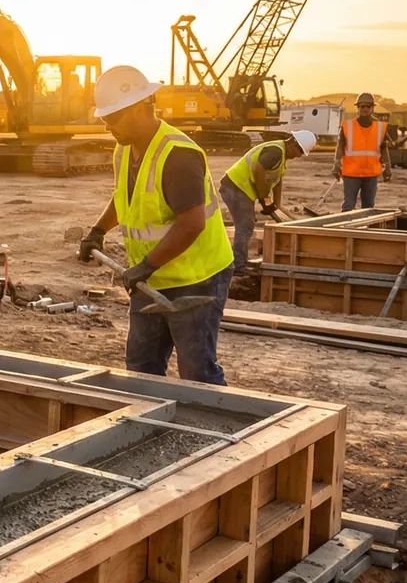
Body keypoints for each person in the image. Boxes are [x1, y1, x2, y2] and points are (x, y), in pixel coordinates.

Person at [77, 65, 234, 385]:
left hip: (197, 278)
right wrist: (98, 231)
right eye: (104, 119)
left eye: (113, 118)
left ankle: (213, 430)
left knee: (197, 372)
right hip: (151, 277)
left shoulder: (178, 154)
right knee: (141, 366)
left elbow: (192, 224)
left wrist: (146, 265)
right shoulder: (123, 150)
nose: (108, 127)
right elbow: (125, 198)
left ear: (139, 108)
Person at [218, 130, 316, 274]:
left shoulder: (281, 155)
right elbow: (259, 171)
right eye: (299, 151)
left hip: (241, 188)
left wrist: (276, 202)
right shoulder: (275, 152)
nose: (299, 155)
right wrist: (264, 198)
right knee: (245, 226)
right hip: (235, 186)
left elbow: (277, 179)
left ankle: (237, 263)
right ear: (293, 143)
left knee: (246, 225)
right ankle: (238, 267)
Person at [333, 93, 391, 211]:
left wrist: (388, 167)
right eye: (362, 106)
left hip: (371, 174)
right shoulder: (347, 126)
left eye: (368, 106)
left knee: (368, 208)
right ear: (357, 108)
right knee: (348, 206)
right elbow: (340, 147)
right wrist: (336, 163)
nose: (365, 109)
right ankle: (346, 229)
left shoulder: (380, 127)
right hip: (351, 174)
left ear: (372, 108)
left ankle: (366, 229)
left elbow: (384, 149)